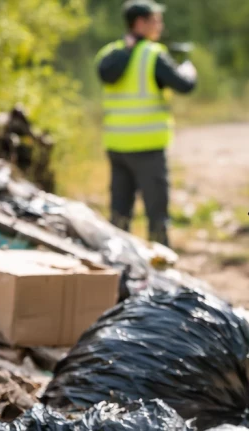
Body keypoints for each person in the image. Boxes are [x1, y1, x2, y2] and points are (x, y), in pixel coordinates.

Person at [95, 0, 197, 247]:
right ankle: (160, 262)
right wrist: (188, 67)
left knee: (119, 216)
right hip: (147, 149)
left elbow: (106, 74)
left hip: (116, 146)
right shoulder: (152, 54)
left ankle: (117, 262)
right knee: (157, 216)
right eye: (156, 20)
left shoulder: (108, 53)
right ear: (140, 23)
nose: (160, 26)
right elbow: (184, 85)